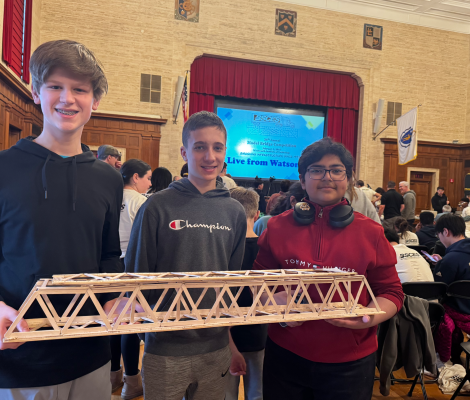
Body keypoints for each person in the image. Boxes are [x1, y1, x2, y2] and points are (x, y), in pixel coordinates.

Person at [0, 40, 127, 399]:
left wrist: (116, 297)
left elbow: (107, 255)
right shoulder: (4, 168)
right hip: (19, 361)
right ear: (36, 93)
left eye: (80, 89)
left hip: (90, 356)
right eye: (55, 86)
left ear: (95, 101)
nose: (67, 98)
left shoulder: (107, 178)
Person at [254, 137, 403, 400]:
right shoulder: (277, 227)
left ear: (347, 179)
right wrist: (270, 299)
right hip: (285, 355)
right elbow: (259, 282)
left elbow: (391, 292)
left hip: (350, 363)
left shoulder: (371, 232)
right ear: (302, 180)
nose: (327, 177)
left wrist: (368, 317)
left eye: (336, 170)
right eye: (316, 170)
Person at [124, 111, 247, 400]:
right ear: (184, 151)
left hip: (215, 349)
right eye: (200, 146)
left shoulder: (234, 212)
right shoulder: (156, 206)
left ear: (225, 152)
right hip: (164, 350)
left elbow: (230, 283)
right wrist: (148, 332)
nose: (209, 156)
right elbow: (137, 275)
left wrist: (229, 343)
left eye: (217, 147)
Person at [110, 159, 152, 399]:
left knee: (113, 320)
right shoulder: (141, 202)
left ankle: (113, 375)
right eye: (147, 178)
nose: (149, 183)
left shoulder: (111, 197)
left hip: (109, 264)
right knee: (129, 324)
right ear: (135, 177)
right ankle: (132, 382)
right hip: (131, 266)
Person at [226, 187, 267, 400]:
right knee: (257, 394)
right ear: (257, 214)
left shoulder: (221, 250)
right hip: (260, 336)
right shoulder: (268, 249)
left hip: (224, 337)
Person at [432, 214, 470, 364]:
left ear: (445, 232)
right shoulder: (451, 258)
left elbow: (440, 289)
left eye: (439, 234)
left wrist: (441, 266)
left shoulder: (451, 259)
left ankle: (444, 358)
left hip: (460, 310)